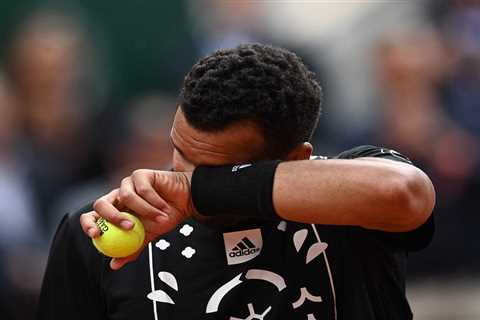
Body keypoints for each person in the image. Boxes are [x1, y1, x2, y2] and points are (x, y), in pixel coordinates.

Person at [38, 43, 435, 320]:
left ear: (296, 158)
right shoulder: (97, 228)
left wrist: (199, 193)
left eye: (216, 169)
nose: (182, 176)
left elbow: (403, 193)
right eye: (180, 151)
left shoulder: (350, 195)